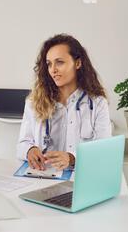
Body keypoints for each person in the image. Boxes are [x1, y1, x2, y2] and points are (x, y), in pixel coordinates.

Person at [17, 34, 111, 171]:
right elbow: (22, 143)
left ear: (78, 63)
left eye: (59, 62)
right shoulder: (34, 102)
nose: (53, 70)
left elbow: (103, 149)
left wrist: (72, 158)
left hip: (79, 177)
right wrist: (29, 150)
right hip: (42, 176)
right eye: (49, 64)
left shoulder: (97, 104)